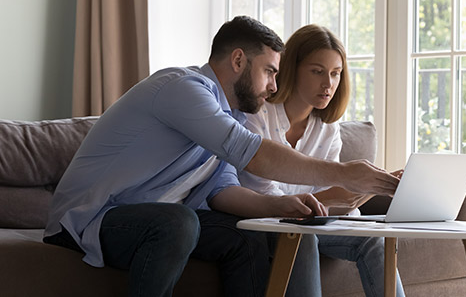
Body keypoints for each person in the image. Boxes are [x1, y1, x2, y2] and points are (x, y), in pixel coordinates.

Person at [43, 16, 399, 297]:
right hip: (90, 219)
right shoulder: (183, 89)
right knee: (179, 221)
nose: (274, 86)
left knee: (244, 234)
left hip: (156, 217)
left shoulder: (232, 116)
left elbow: (222, 192)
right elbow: (252, 155)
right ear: (239, 60)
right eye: (269, 72)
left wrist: (284, 207)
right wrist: (342, 173)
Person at [239, 24, 406, 297]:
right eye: (317, 71)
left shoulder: (327, 128)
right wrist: (334, 196)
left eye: (335, 74)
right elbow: (263, 194)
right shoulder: (258, 115)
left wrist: (361, 192)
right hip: (261, 221)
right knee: (301, 237)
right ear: (291, 69)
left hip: (306, 222)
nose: (328, 84)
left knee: (374, 239)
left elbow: (325, 199)